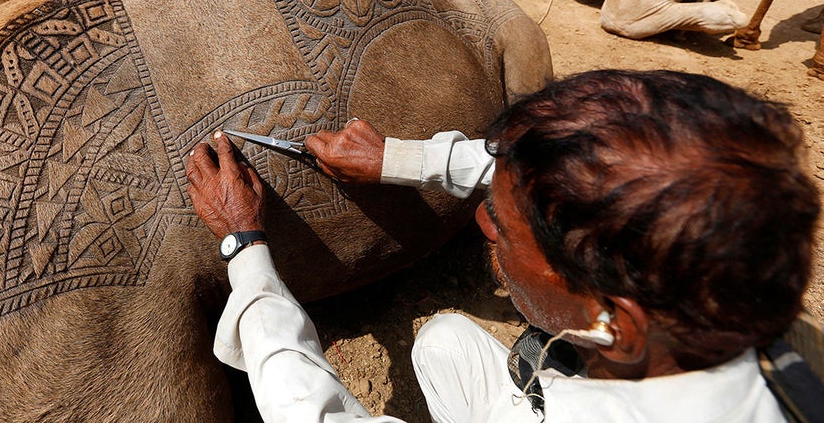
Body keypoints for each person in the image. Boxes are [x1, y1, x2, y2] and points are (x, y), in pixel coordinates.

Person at [185, 69, 821, 422]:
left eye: (507, 230)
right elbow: (533, 170)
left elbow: (313, 415)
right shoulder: (761, 322)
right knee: (444, 344)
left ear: (616, 324)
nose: (485, 226)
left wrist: (246, 246)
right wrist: (393, 158)